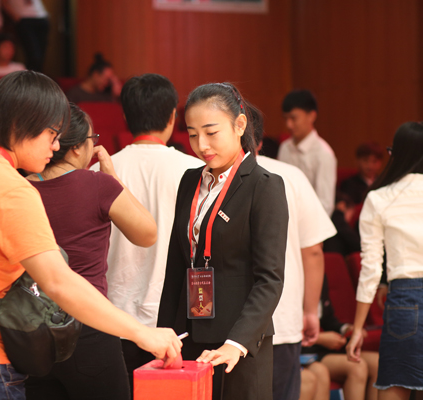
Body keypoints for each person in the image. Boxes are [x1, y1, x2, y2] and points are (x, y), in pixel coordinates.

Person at [0, 71, 182, 399]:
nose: (56, 146)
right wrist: (142, 334)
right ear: (20, 125)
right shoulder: (12, 188)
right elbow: (58, 282)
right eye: (51, 134)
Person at [157, 83, 289, 400]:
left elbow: (269, 278)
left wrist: (236, 343)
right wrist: (165, 333)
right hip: (189, 335)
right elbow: (176, 268)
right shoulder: (190, 180)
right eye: (192, 134)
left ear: (239, 125)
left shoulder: (264, 186)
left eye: (211, 132)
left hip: (239, 343)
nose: (201, 145)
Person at [24, 103, 156, 399]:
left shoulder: (20, 189)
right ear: (75, 148)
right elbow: (147, 234)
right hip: (89, 324)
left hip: (31, 329)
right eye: (91, 140)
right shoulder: (98, 184)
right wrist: (112, 178)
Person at [89, 73, 204, 394]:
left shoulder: (99, 170)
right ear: (173, 117)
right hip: (177, 325)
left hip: (112, 320)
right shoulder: (195, 172)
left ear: (126, 118)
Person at [253, 109, 337, 400]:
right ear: (259, 141)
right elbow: (313, 250)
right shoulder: (290, 175)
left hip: (224, 326)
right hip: (282, 317)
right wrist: (311, 312)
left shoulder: (203, 177)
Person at [346, 121, 423, 400]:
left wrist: (357, 330)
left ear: (396, 154)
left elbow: (370, 270)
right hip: (404, 295)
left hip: (405, 300)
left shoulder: (379, 199)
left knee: (394, 387)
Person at [303, 277, 379, 400]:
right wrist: (320, 339)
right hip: (304, 350)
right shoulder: (292, 279)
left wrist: (346, 328)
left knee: (377, 362)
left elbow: (328, 320)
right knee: (357, 367)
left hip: (323, 347)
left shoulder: (320, 277)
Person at [277, 89, 337, 216]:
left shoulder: (323, 154)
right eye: (286, 118)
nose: (289, 125)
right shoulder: (284, 147)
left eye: (294, 118)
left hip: (310, 222)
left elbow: (325, 204)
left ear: (312, 116)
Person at [3, 0, 49, 72]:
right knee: (34, 56)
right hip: (24, 18)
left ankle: (38, 77)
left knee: (41, 57)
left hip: (41, 16)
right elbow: (4, 3)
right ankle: (30, 77)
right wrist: (15, 16)